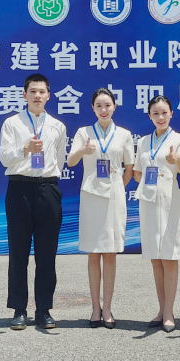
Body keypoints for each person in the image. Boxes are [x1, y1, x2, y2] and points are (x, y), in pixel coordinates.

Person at [0, 73, 67, 331]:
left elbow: (59, 160)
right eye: (33, 91)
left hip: (48, 189)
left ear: (49, 95)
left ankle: (44, 310)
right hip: (20, 188)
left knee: (47, 253)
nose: (37, 95)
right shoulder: (12, 123)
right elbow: (4, 158)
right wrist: (24, 150)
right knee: (18, 252)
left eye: (42, 91)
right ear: (24, 94)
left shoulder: (57, 126)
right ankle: (19, 309)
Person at [67, 88, 134, 329]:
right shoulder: (83, 132)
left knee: (111, 253)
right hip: (91, 195)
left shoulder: (124, 134)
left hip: (114, 197)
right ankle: (95, 308)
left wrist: (116, 187)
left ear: (114, 106)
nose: (103, 110)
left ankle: (107, 309)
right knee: (94, 253)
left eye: (107, 105)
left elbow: (130, 168)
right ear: (92, 108)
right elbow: (71, 161)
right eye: (98, 106)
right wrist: (83, 150)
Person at [133, 95, 180, 333]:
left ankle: (169, 312)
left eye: (164, 112)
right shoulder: (143, 142)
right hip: (148, 202)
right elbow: (138, 173)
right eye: (155, 113)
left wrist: (177, 159)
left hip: (169, 201)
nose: (160, 117)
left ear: (171, 114)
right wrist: (151, 185)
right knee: (155, 258)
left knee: (169, 256)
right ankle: (161, 308)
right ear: (149, 116)